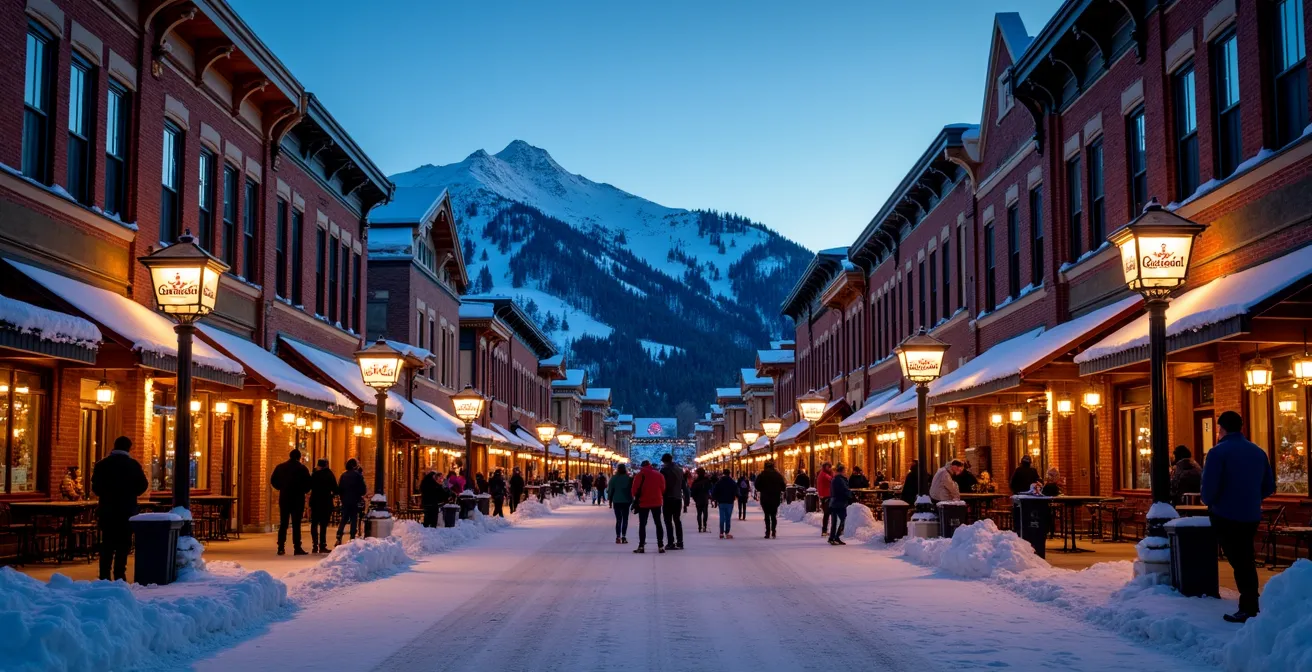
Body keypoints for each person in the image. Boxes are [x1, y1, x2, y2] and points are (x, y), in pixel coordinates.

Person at [1202, 410, 1276, 623]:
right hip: (1251, 513)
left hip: (1225, 514)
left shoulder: (1217, 453)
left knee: (1239, 560)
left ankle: (1249, 606)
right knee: (1245, 558)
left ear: (1221, 428)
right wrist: (1251, 497)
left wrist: (1213, 501)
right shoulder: (1258, 452)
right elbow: (1269, 486)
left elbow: (1208, 490)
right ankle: (1251, 601)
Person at [90, 436, 147, 581]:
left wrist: (106, 494)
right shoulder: (133, 465)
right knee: (123, 544)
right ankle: (120, 574)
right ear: (129, 448)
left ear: (114, 446)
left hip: (107, 510)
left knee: (107, 543)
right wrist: (131, 493)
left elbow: (95, 487)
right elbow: (143, 485)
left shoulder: (102, 465)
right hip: (127, 510)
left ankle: (104, 575)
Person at [270, 448, 311, 555]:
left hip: (285, 497)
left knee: (283, 523)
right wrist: (303, 490)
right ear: (298, 457)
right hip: (298, 499)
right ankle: (297, 547)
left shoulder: (280, 467)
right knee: (296, 524)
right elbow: (308, 484)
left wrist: (281, 487)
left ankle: (280, 547)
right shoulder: (302, 469)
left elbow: (273, 480)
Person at [631, 460, 666, 553]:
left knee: (642, 524)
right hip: (657, 502)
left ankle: (641, 546)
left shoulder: (639, 475)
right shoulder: (659, 475)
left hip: (643, 503)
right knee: (658, 523)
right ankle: (660, 545)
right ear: (650, 466)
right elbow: (663, 488)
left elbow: (634, 490)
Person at [308, 459, 338, 553]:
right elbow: (336, 489)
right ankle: (322, 545)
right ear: (326, 465)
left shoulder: (314, 475)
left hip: (315, 501)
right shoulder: (329, 475)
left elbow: (309, 486)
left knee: (314, 523)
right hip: (326, 501)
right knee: (323, 525)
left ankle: (314, 545)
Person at [337, 458, 367, 544]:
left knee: (344, 519)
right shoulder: (358, 476)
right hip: (355, 500)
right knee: (354, 519)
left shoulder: (343, 476)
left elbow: (340, 489)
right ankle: (352, 537)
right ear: (354, 465)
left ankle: (339, 536)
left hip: (345, 501)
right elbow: (363, 490)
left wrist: (342, 498)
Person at [659, 453, 685, 550]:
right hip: (677, 497)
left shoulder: (664, 470)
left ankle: (670, 542)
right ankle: (680, 541)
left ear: (664, 461)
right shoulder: (679, 470)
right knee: (677, 520)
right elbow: (683, 484)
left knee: (668, 521)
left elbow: (663, 485)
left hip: (668, 498)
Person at [755, 460, 787, 539]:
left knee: (766, 515)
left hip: (765, 497)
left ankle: (767, 531)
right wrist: (779, 490)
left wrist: (761, 489)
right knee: (773, 515)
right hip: (775, 497)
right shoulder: (778, 475)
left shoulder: (762, 475)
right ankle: (773, 531)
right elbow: (783, 486)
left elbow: (757, 485)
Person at [606, 465, 633, 543]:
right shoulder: (628, 478)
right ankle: (624, 536)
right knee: (625, 519)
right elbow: (632, 490)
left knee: (618, 519)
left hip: (616, 500)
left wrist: (610, 500)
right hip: (626, 500)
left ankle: (618, 537)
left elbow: (610, 490)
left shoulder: (614, 478)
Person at [828, 464, 852, 545]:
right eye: (845, 470)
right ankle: (834, 537)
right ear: (842, 471)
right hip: (839, 502)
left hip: (836, 502)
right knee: (840, 520)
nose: (846, 472)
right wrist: (850, 495)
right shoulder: (839, 480)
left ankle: (834, 537)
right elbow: (844, 490)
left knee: (837, 520)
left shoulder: (837, 479)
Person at [712, 469, 738, 539]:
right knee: (728, 517)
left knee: (722, 517)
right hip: (729, 502)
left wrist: (715, 499)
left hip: (721, 502)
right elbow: (736, 490)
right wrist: (735, 496)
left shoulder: (719, 482)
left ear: (723, 474)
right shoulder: (732, 482)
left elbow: (715, 491)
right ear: (729, 474)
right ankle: (727, 532)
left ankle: (721, 533)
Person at [690, 467, 713, 532]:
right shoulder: (707, 481)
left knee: (699, 513)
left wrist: (695, 499)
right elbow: (710, 488)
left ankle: (699, 527)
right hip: (705, 498)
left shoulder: (696, 482)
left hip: (698, 499)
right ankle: (704, 526)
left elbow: (692, 492)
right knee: (705, 513)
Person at [817, 462, 834, 537]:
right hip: (826, 495)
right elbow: (832, 480)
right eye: (828, 467)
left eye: (830, 467)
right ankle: (825, 531)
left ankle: (824, 530)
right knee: (827, 513)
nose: (829, 468)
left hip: (825, 495)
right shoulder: (824, 474)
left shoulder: (822, 473)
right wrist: (832, 473)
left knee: (827, 514)